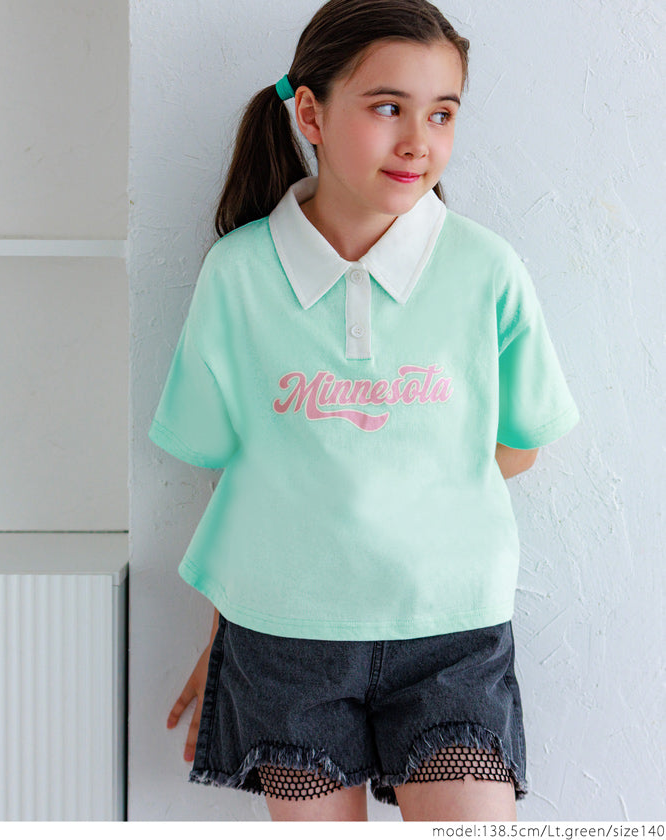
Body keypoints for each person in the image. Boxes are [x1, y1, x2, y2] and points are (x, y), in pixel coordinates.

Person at [151, 0, 580, 822]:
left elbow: (519, 445)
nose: (418, 140)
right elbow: (242, 478)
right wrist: (226, 638)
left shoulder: (485, 270)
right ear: (310, 114)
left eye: (442, 113)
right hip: (283, 641)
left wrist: (410, 498)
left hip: (452, 634)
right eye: (388, 107)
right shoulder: (239, 276)